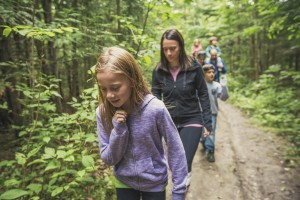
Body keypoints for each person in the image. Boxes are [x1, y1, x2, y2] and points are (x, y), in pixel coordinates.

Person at [95, 47, 188, 200]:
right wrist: (118, 131)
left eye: (115, 88)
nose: (109, 95)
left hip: (154, 183)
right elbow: (108, 158)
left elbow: (175, 148)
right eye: (103, 89)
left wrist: (178, 191)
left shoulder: (155, 109)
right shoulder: (103, 113)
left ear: (132, 80)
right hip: (123, 182)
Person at [151, 29, 212, 187]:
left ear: (181, 46)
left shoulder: (194, 66)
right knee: (175, 163)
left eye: (173, 48)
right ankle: (183, 179)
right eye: (165, 49)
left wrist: (207, 121)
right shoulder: (158, 71)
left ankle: (182, 185)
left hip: (192, 118)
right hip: (169, 121)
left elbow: (203, 94)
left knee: (184, 159)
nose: (169, 53)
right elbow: (155, 99)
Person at [201, 64, 228, 162]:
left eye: (213, 72)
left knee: (210, 132)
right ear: (204, 74)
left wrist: (224, 86)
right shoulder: (199, 85)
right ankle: (204, 142)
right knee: (202, 134)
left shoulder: (217, 86)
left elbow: (224, 98)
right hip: (199, 113)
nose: (211, 74)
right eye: (209, 72)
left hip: (212, 112)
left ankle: (210, 151)